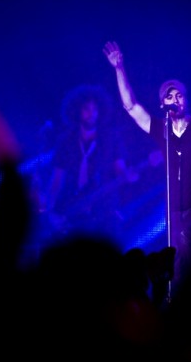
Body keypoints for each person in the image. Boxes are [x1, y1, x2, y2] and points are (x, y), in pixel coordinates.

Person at [103, 25, 191, 302]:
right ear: (163, 104)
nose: (175, 99)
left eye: (179, 94)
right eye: (169, 96)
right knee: (178, 267)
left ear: (186, 99)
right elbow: (131, 106)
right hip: (175, 211)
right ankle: (183, 310)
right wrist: (119, 69)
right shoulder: (162, 130)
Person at [43, 84, 129, 245]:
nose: (92, 114)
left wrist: (129, 175)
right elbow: (56, 180)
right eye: (87, 109)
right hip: (75, 210)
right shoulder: (65, 141)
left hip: (105, 210)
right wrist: (51, 211)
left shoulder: (111, 138)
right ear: (77, 111)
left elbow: (120, 169)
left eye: (95, 109)